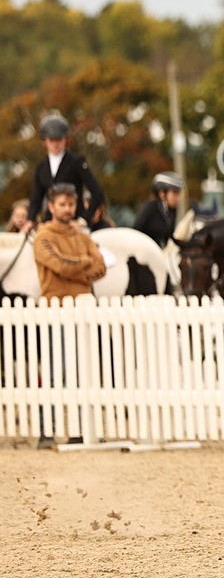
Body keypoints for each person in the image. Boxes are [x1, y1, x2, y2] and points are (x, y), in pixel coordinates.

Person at [32, 182, 108, 449]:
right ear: (51, 206)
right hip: (56, 310)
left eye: (71, 204)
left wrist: (82, 264)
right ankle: (46, 429)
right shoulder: (43, 236)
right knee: (55, 370)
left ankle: (79, 428)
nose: (67, 209)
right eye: (62, 204)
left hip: (83, 310)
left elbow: (101, 267)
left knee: (83, 370)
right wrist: (84, 263)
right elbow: (59, 265)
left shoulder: (81, 237)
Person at [28, 114, 107, 230]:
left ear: (66, 139)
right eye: (52, 140)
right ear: (44, 141)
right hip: (51, 223)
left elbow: (98, 193)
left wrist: (83, 220)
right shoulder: (41, 167)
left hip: (74, 222)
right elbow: (36, 199)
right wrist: (29, 220)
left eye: (59, 139)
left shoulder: (77, 162)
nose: (56, 144)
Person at [132, 172, 185, 248]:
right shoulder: (150, 207)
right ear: (162, 193)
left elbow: (169, 237)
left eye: (179, 193)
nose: (178, 197)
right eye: (175, 193)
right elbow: (135, 232)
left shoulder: (172, 210)